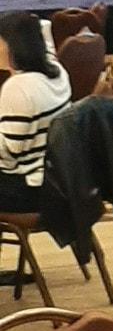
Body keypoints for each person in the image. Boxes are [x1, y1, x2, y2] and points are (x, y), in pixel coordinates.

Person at [0, 11, 70, 208]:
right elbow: (45, 30)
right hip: (57, 179)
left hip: (29, 189)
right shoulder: (57, 71)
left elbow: (9, 157)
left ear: (14, 46)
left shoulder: (18, 87)